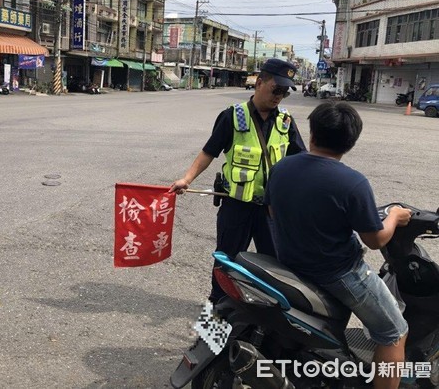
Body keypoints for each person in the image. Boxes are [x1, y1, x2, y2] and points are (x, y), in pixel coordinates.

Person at [264, 101, 411, 389]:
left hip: (289, 262)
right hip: (338, 274)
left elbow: (272, 212)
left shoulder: (282, 168)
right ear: (350, 142)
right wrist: (394, 216)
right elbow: (375, 239)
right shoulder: (352, 183)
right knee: (394, 331)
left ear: (312, 134)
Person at [169, 58, 306, 302]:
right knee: (226, 261)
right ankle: (217, 315)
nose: (279, 97)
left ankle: (267, 317)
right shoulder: (232, 116)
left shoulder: (285, 121)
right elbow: (209, 152)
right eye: (276, 89)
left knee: (275, 266)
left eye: (284, 92)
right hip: (236, 206)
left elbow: (302, 160)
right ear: (259, 83)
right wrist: (186, 179)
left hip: (271, 210)